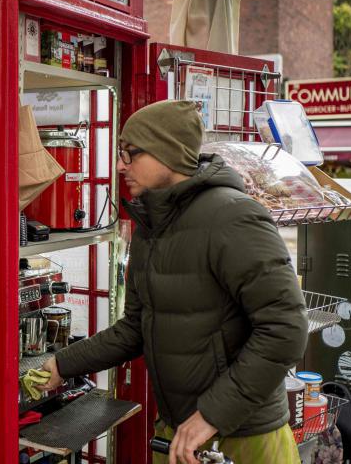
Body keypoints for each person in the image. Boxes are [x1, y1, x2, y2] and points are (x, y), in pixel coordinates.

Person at [37, 100, 308, 464]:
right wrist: (63, 364)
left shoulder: (234, 217)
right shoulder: (154, 225)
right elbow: (136, 327)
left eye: (129, 154)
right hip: (181, 431)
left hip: (242, 436)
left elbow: (286, 329)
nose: (120, 165)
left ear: (168, 153)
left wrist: (212, 414)